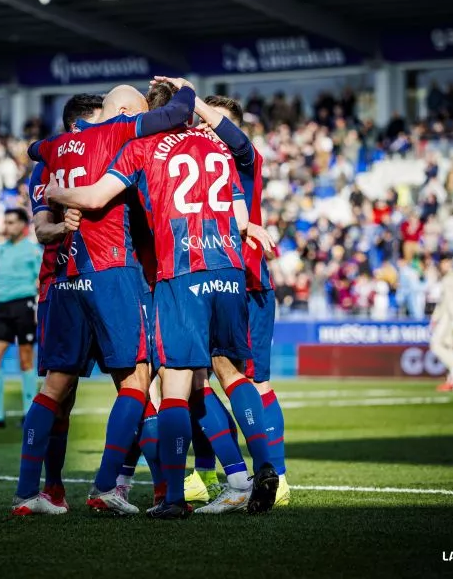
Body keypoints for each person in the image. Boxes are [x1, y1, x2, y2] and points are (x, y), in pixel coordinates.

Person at [46, 80, 279, 519]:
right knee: (230, 374)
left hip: (177, 272)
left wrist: (54, 194)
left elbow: (95, 198)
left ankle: (171, 496)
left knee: (173, 384)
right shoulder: (216, 148)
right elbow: (241, 210)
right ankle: (259, 468)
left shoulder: (141, 149)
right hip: (229, 268)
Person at [10, 81, 196, 516]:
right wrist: (186, 91)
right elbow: (173, 116)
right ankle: (110, 486)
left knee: (57, 388)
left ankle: (29, 492)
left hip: (64, 278)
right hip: (113, 269)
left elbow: (34, 154)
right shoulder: (116, 134)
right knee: (136, 380)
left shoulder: (52, 151)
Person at [188, 91, 291, 510]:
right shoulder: (195, 162)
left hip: (247, 282)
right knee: (196, 378)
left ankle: (276, 478)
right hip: (206, 277)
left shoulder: (245, 159)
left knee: (253, 382)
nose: (207, 130)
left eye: (215, 123)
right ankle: (206, 473)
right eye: (202, 124)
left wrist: (188, 97)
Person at [25, 93, 104, 509]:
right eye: (98, 120)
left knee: (141, 381)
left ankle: (125, 482)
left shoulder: (105, 151)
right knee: (61, 392)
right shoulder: (47, 164)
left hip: (109, 278)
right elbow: (41, 230)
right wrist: (63, 225)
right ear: (78, 126)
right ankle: (51, 485)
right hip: (61, 283)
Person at [0, 208, 41, 429]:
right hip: (2, 308)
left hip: (25, 305)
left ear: (23, 225)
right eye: (6, 222)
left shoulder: (33, 250)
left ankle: (29, 413)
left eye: (12, 222)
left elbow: (41, 282)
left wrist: (39, 309)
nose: (7, 226)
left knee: (26, 360)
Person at [432, 256, 453, 392]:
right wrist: (435, 317)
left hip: (450, 317)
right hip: (445, 316)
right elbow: (442, 301)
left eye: (445, 262)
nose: (443, 265)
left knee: (435, 345)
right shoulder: (445, 277)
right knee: (449, 346)